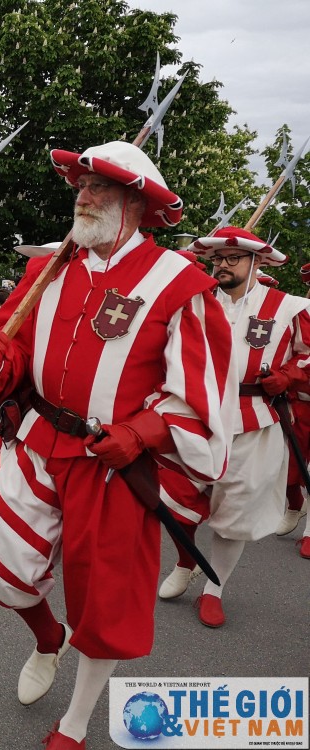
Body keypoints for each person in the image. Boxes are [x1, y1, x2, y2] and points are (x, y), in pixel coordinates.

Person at [0, 141, 233, 749]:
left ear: (135, 201)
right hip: (33, 440)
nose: (82, 196)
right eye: (80, 185)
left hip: (112, 464)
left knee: (103, 598)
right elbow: (13, 344)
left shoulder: (181, 284)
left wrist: (139, 432)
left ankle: (76, 722)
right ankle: (45, 638)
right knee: (1, 564)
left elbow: (200, 396)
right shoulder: (46, 268)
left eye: (98, 187)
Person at [156, 227, 310, 624]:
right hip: (198, 417)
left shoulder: (290, 307)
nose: (222, 265)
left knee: (235, 513)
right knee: (175, 499)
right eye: (218, 259)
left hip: (256, 420)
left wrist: (290, 375)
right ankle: (186, 562)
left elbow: (307, 353)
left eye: (232, 259)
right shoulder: (196, 303)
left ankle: (213, 588)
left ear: (255, 263)